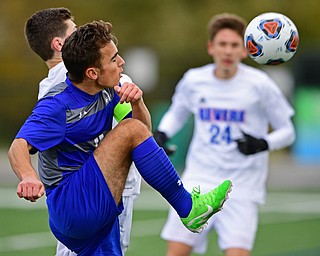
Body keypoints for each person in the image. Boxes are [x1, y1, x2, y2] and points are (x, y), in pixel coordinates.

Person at [8, 20, 232, 255]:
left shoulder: (106, 89)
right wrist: (28, 177)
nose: (121, 62)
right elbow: (18, 146)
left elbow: (142, 134)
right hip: (73, 205)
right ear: (92, 73)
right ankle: (189, 209)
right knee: (129, 130)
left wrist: (137, 102)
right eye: (114, 59)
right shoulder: (58, 104)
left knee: (132, 129)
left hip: (96, 201)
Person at [155, 13, 295, 256]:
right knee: (176, 252)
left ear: (245, 50)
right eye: (222, 44)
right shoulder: (194, 80)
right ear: (211, 47)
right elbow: (177, 114)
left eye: (234, 45)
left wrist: (263, 143)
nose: (228, 51)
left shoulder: (260, 85)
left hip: (242, 186)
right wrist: (162, 133)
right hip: (198, 180)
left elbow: (288, 132)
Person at [24, 8, 140, 255]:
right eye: (74, 32)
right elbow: (135, 128)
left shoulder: (46, 87)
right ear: (59, 44)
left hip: (79, 193)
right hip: (102, 188)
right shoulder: (90, 77)